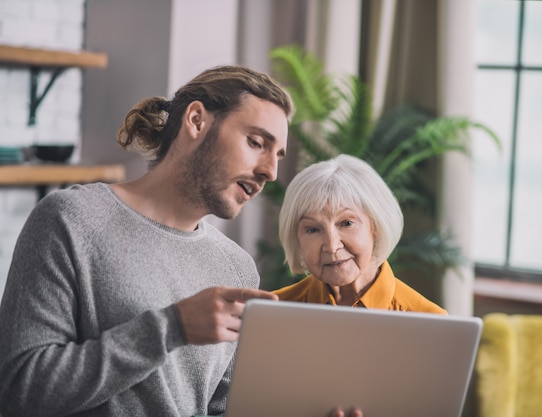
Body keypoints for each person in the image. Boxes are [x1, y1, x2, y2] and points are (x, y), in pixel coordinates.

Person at [0, 66, 359, 417]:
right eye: (256, 143)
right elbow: (18, 390)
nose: (270, 171)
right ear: (197, 121)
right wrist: (172, 328)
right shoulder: (71, 220)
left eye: (277, 155)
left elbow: (222, 409)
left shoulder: (236, 267)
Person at [274, 154, 447, 314]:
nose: (332, 246)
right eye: (312, 230)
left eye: (346, 223)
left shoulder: (429, 320)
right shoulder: (274, 310)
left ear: (376, 225)